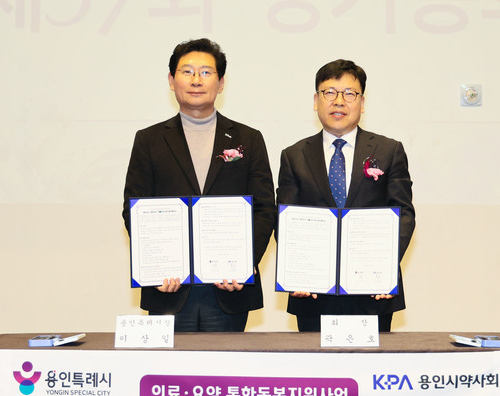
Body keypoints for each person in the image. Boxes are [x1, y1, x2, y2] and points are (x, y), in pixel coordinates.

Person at [122, 38, 276, 332]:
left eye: (206, 72)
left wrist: (244, 264)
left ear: (221, 83)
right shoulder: (149, 140)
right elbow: (134, 210)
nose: (196, 80)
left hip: (230, 288)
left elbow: (264, 209)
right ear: (171, 80)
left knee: (227, 362)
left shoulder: (248, 139)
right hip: (168, 288)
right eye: (187, 72)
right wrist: (156, 265)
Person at [276, 59, 415, 332]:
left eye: (349, 93)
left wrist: (384, 268)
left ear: (362, 103)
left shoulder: (389, 151)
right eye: (329, 92)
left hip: (373, 292)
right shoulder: (294, 155)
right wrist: (297, 271)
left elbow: (404, 214)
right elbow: (285, 219)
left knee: (372, 359)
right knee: (314, 361)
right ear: (315, 100)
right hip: (313, 293)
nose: (339, 101)